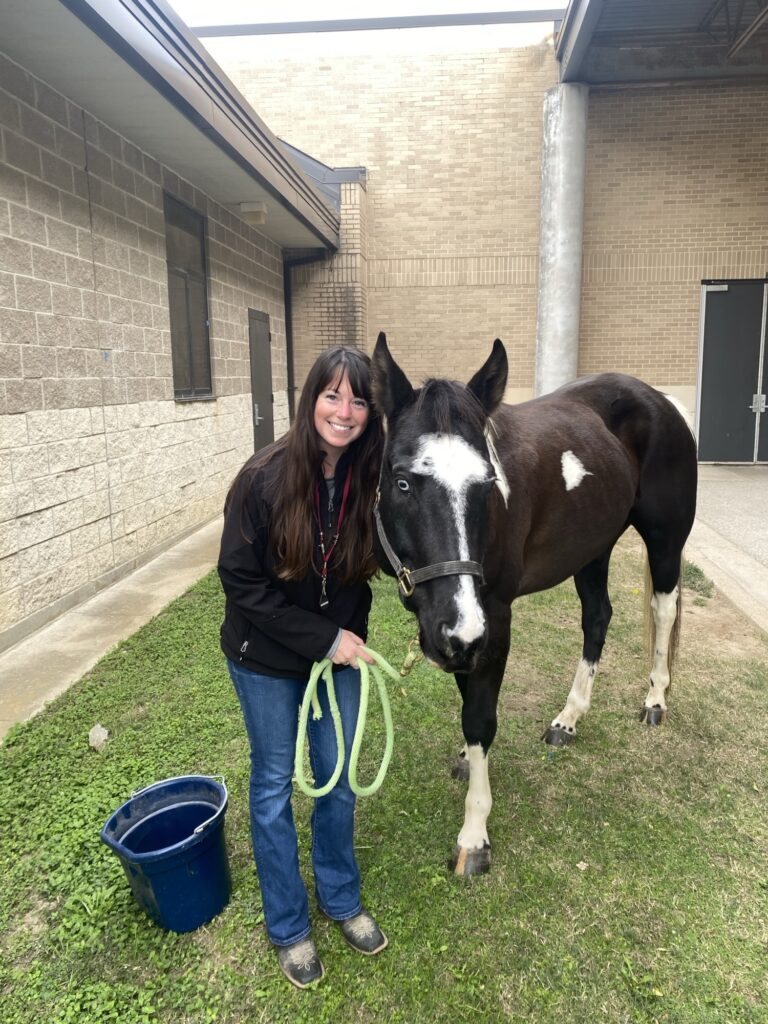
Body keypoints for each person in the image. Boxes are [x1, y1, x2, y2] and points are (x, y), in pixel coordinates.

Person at [218, 345, 387, 989]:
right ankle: (289, 926)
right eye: (332, 395)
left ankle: (340, 897)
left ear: (370, 414)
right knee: (271, 790)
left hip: (336, 656)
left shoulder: (369, 481)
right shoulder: (263, 477)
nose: (343, 412)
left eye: (358, 401)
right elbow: (238, 580)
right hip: (264, 658)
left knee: (337, 778)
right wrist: (325, 641)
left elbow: (380, 564)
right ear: (310, 398)